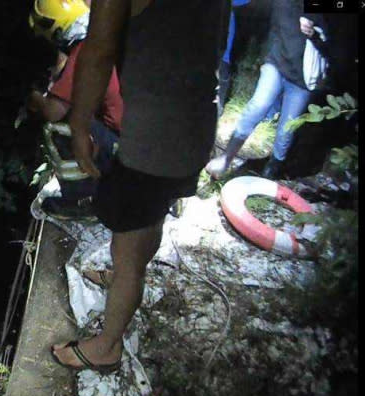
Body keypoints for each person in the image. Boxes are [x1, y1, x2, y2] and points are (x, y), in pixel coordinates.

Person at [50, 0, 228, 373]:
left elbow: (98, 53)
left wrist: (80, 126)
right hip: (197, 120)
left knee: (127, 244)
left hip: (153, 135)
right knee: (152, 211)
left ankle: (106, 347)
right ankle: (124, 280)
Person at [206, 0, 329, 180]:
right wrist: (266, 58)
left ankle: (270, 173)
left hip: (302, 81)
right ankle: (226, 158)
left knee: (287, 130)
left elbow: (333, 48)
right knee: (257, 106)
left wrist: (315, 36)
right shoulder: (282, 4)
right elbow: (267, 25)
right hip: (276, 65)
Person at [26, 0, 124, 219]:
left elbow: (54, 111)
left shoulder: (85, 51)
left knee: (58, 128)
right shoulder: (111, 32)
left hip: (125, 144)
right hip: (147, 134)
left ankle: (81, 200)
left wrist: (33, 97)